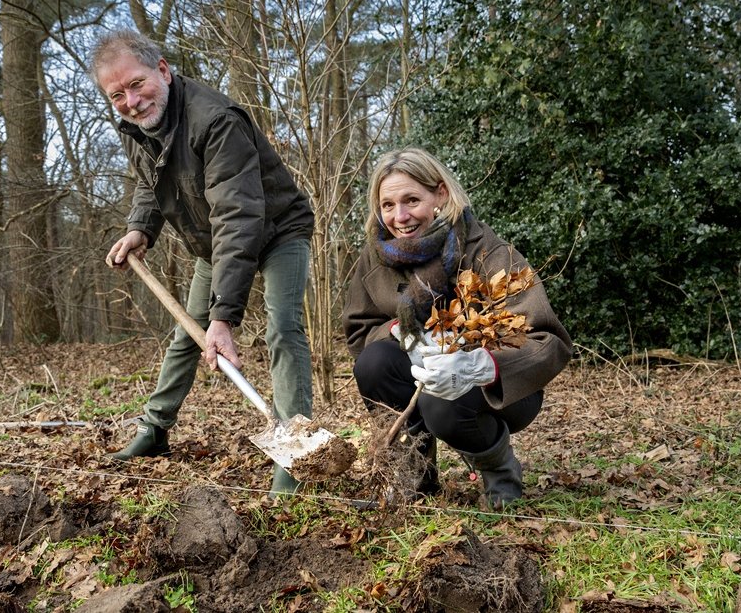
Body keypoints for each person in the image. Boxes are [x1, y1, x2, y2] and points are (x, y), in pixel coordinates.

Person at [90, 29, 316, 496]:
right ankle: (153, 431)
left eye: (137, 84)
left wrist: (223, 317)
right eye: (117, 95)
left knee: (282, 329)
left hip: (277, 230)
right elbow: (151, 181)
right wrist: (141, 228)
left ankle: (294, 456)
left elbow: (239, 215)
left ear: (163, 71)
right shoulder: (138, 126)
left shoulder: (215, 120)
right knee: (185, 338)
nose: (131, 101)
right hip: (214, 243)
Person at [341, 146, 572, 509]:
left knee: (440, 402)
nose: (399, 216)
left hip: (505, 388)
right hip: (422, 374)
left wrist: (480, 364)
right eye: (388, 205)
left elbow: (548, 340)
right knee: (374, 363)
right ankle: (413, 478)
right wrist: (399, 333)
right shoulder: (375, 258)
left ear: (441, 195)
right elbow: (359, 330)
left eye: (411, 200)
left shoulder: (488, 251)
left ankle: (500, 474)